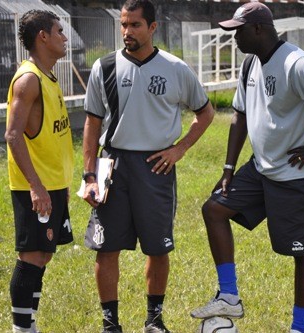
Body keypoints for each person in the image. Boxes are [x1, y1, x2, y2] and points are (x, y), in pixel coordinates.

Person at [190, 2, 304, 333]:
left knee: (301, 253)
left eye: (238, 31)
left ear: (258, 29)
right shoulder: (251, 65)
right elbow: (240, 116)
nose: (234, 39)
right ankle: (229, 295)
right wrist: (229, 166)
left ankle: (298, 329)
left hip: (298, 175)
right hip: (261, 169)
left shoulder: (294, 62)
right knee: (215, 209)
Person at [81, 0, 214, 332]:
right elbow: (92, 124)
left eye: (135, 25)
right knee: (106, 246)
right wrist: (89, 174)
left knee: (157, 247)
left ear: (153, 27)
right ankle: (110, 323)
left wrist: (179, 148)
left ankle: (154, 319)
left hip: (155, 167)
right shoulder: (105, 67)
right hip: (112, 164)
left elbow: (206, 113)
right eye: (123, 25)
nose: (127, 31)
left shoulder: (175, 68)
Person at [5, 9, 74, 333]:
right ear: (43, 37)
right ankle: (22, 329)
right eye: (59, 31)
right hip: (36, 186)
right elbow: (13, 135)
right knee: (31, 256)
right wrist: (35, 187)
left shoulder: (48, 76)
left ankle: (28, 323)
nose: (64, 37)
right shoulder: (29, 78)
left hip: (54, 183)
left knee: (42, 257)